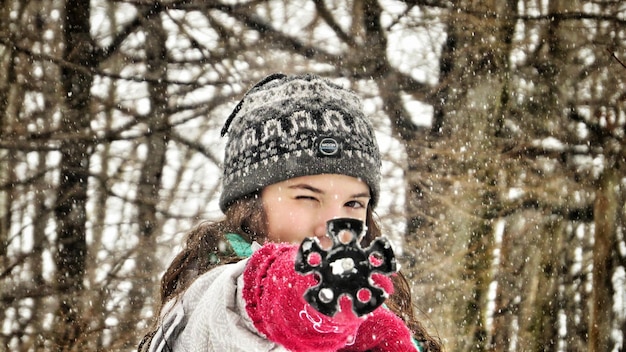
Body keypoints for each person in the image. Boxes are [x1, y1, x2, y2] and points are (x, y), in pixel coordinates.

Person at [138, 73, 442, 351]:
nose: (334, 225)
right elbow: (258, 299)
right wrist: (308, 294)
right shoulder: (212, 301)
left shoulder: (377, 308)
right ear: (250, 204)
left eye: (353, 203)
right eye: (307, 197)